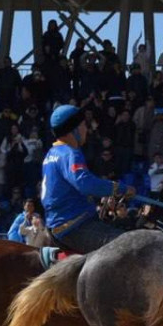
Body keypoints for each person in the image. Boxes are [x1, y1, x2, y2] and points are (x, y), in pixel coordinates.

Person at [41, 105, 135, 254]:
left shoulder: (51, 154)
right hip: (74, 225)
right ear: (73, 130)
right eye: (83, 125)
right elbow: (84, 183)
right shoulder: (70, 153)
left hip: (58, 224)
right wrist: (121, 188)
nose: (87, 129)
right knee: (130, 247)